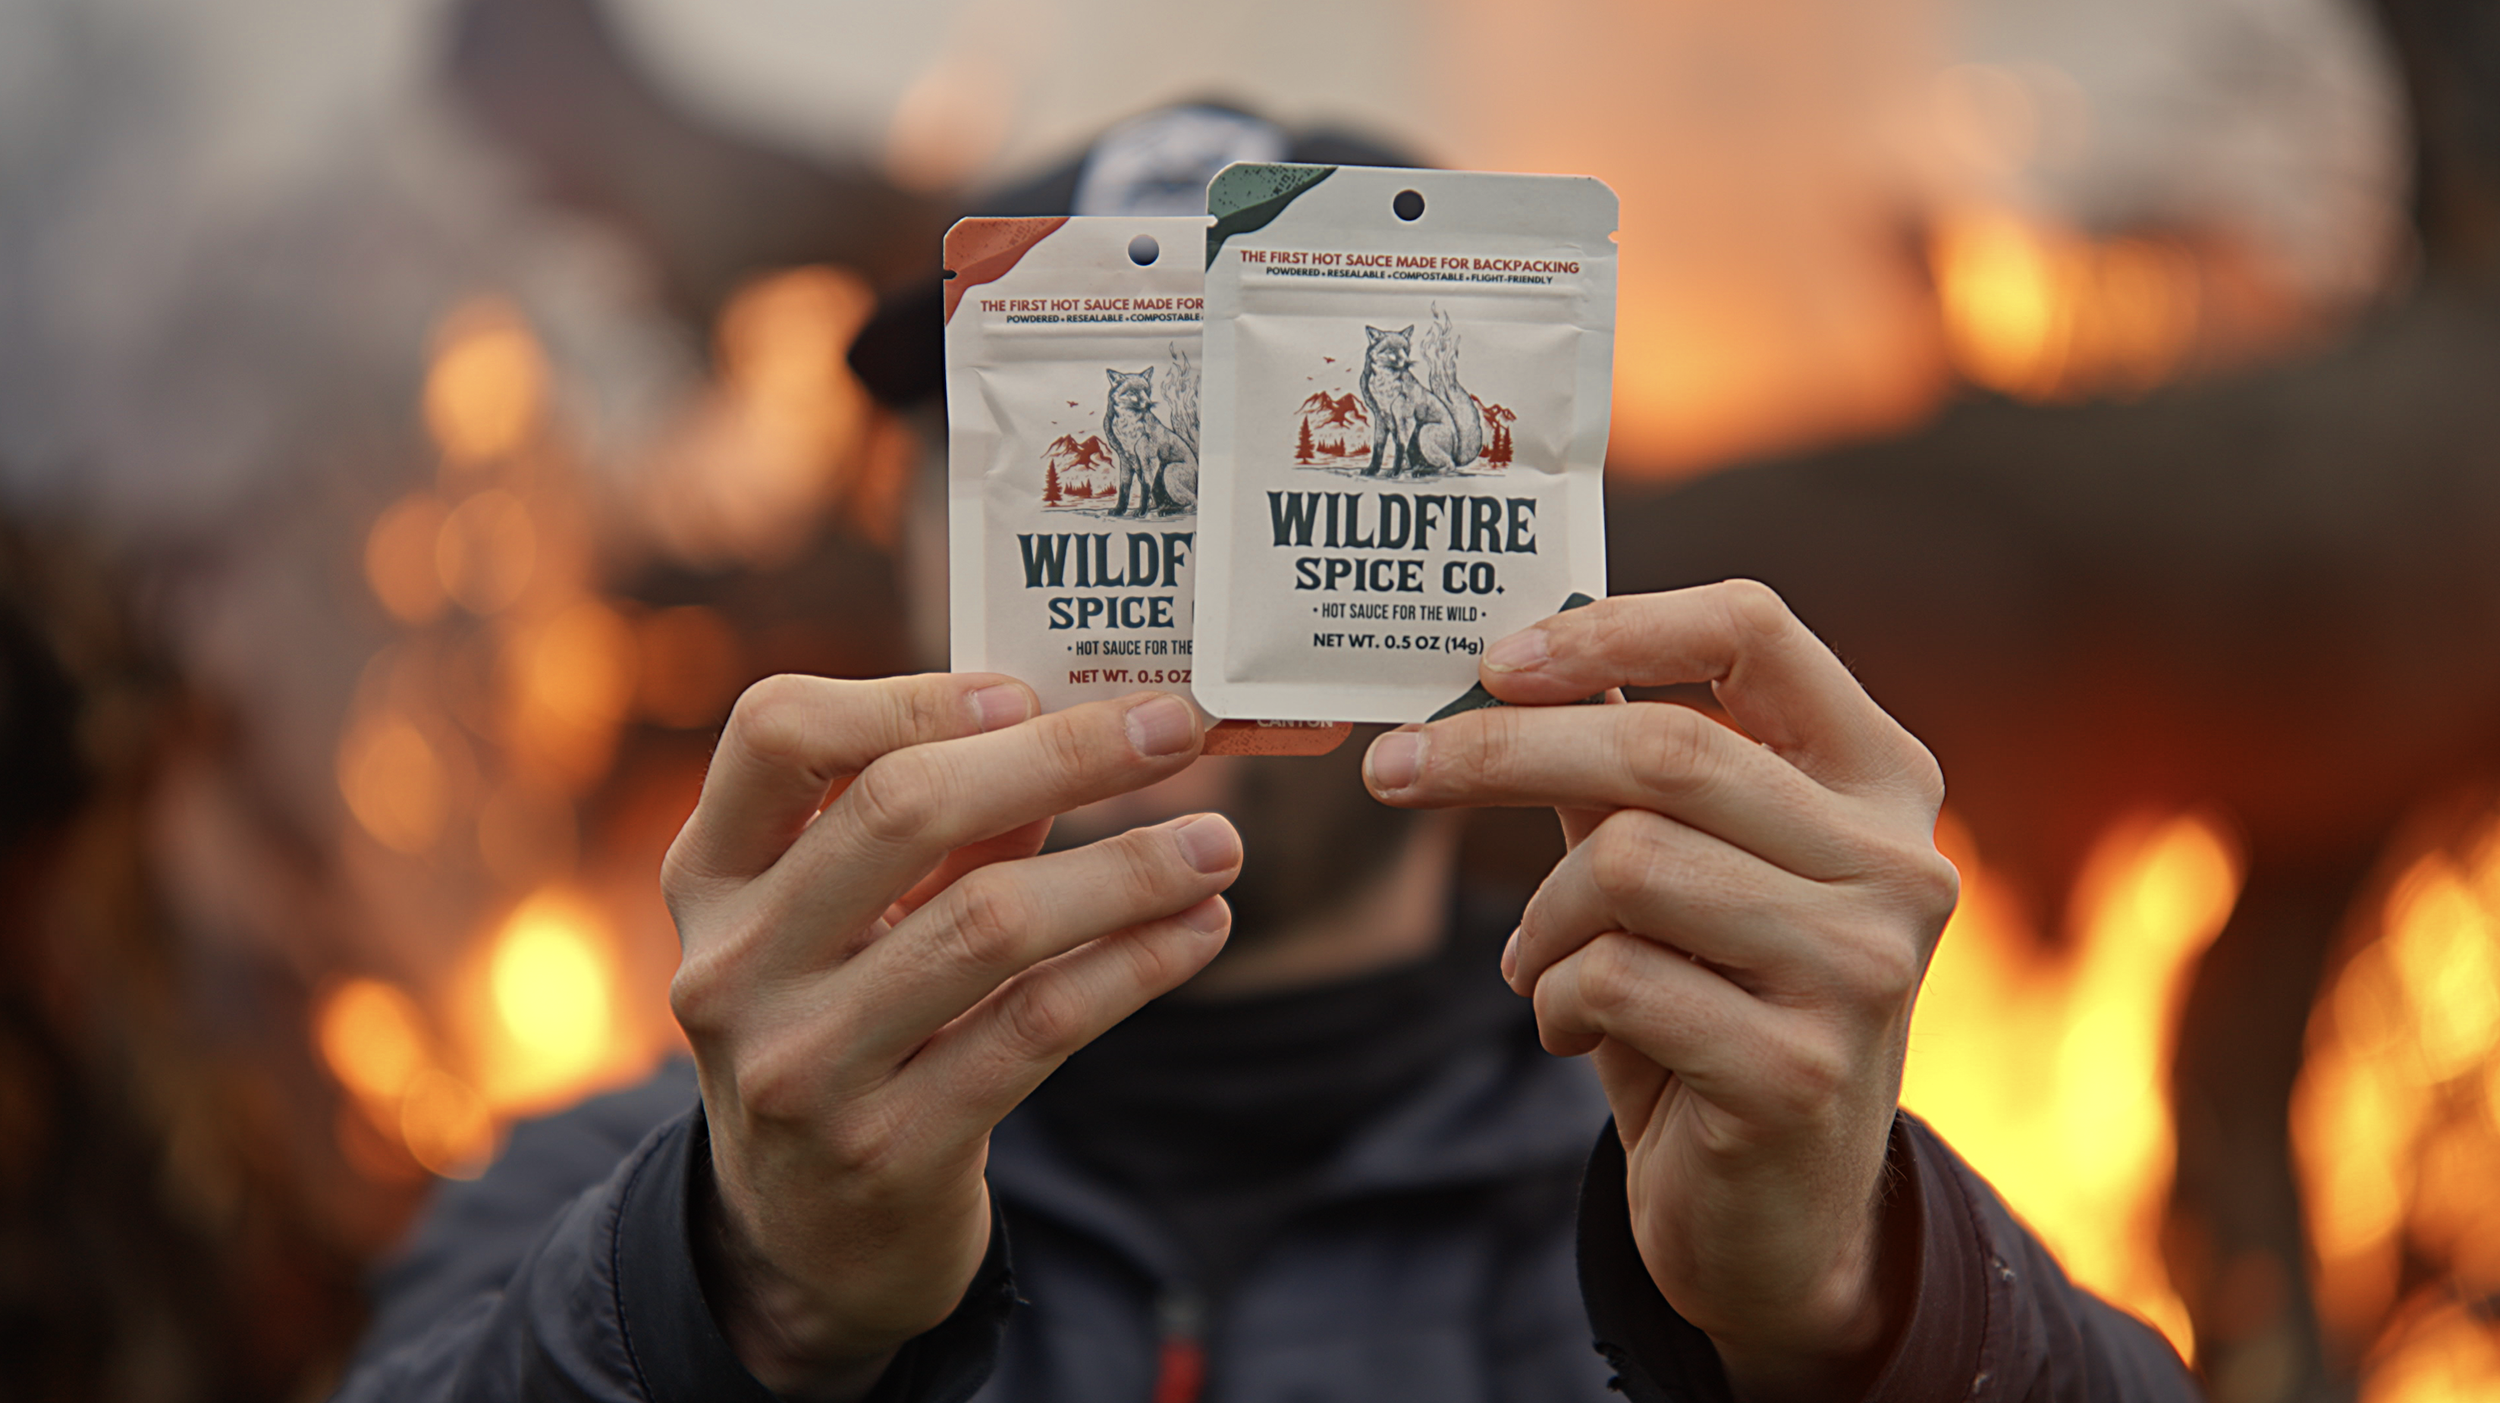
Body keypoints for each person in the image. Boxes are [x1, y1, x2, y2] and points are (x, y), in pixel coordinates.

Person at [334, 581, 2198, 1403]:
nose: (1190, 552)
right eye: (1066, 412)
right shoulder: (618, 1195)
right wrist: (740, 1294)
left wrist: (1852, 1317)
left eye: (1281, 435)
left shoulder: (1736, 1143)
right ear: (910, 549)